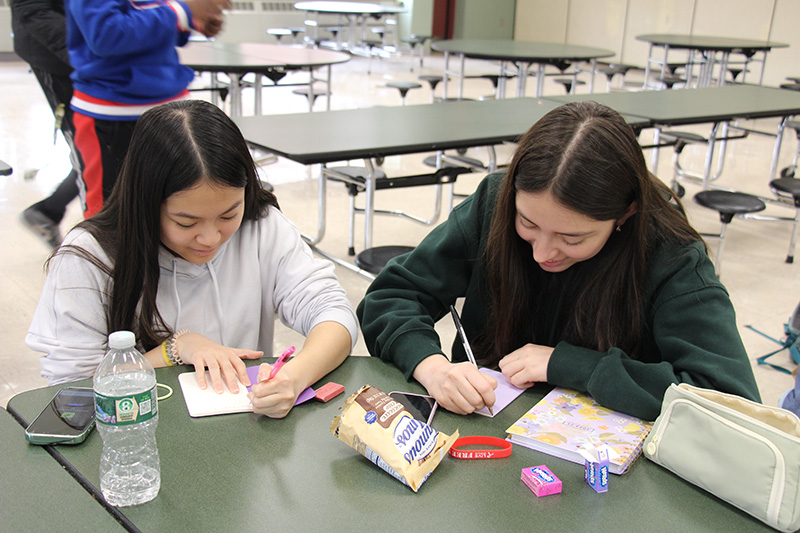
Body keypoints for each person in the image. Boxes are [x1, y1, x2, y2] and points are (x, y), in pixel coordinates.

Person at [357, 101, 761, 421]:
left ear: (625, 215)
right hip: (483, 436)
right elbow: (391, 295)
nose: (542, 253)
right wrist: (432, 366)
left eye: (573, 238)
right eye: (528, 223)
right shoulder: (493, 203)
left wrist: (574, 366)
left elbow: (728, 400)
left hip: (607, 482)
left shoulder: (670, 255)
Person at [26, 100, 358, 418]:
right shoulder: (91, 256)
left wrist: (295, 378)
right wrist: (177, 348)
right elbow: (73, 388)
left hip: (241, 441)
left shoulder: (261, 227)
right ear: (146, 204)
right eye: (186, 223)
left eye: (228, 215)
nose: (210, 238)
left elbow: (332, 314)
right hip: (137, 441)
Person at [66, 0, 229, 218]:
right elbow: (106, 35)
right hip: (111, 113)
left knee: (169, 207)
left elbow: (150, 15)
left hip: (168, 106)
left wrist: (192, 21)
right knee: (110, 215)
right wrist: (181, 11)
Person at [12, 0, 80, 248]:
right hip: (62, 59)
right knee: (90, 150)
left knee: (120, 149)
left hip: (102, 56)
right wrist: (90, 55)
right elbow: (33, 10)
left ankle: (49, 210)